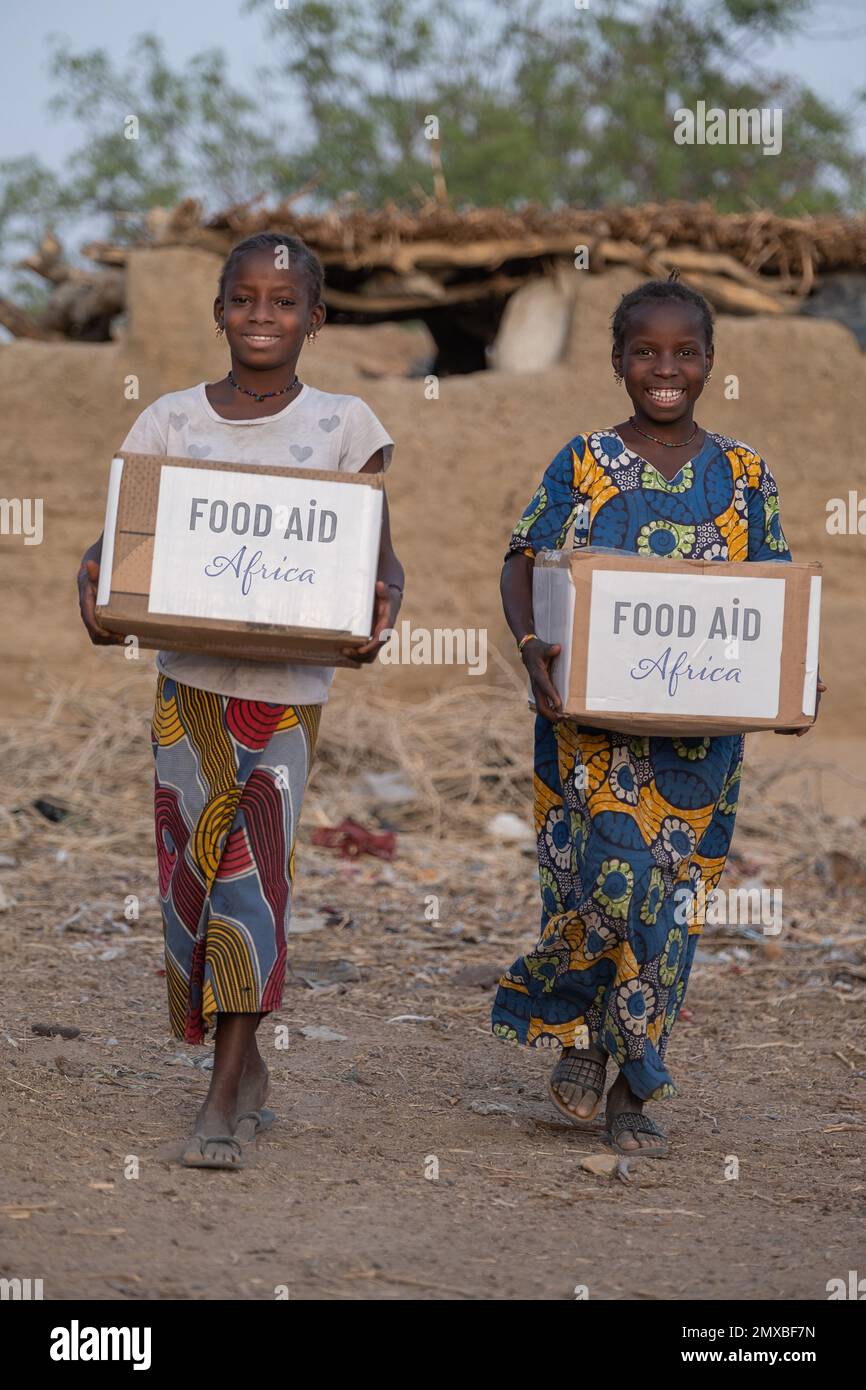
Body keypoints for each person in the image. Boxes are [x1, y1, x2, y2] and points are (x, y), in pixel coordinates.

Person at [77, 232, 404, 1169]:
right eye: (245, 299)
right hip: (187, 692)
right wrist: (94, 589)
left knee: (252, 886)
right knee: (188, 886)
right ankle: (247, 1060)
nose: (264, 316)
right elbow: (118, 552)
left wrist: (381, 613)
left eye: (284, 300)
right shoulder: (170, 424)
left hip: (286, 700)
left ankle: (220, 1096)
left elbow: (380, 561)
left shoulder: (345, 425)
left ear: (317, 317)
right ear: (218, 310)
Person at [491, 273, 825, 1157]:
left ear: (710, 363)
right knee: (606, 885)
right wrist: (532, 648)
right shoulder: (584, 461)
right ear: (617, 361)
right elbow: (522, 560)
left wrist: (792, 683)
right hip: (589, 737)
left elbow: (773, 599)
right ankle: (574, 1029)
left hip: (698, 747)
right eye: (646, 352)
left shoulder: (747, 477)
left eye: (684, 353)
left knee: (669, 908)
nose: (665, 369)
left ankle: (628, 1080)